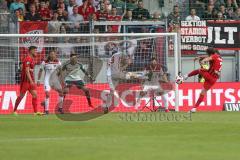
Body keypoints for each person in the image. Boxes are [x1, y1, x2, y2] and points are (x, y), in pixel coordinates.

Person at [183, 48, 223, 113]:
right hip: (214, 79)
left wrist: (203, 61)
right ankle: (194, 108)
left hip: (209, 75)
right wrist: (199, 57)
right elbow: (208, 57)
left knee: (199, 70)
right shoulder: (219, 57)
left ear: (210, 53)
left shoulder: (214, 56)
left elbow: (207, 58)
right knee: (203, 92)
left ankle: (186, 76)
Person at [13, 46, 42, 115]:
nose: (36, 52)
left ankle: (35, 112)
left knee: (35, 95)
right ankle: (14, 110)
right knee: (21, 96)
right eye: (35, 50)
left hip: (30, 81)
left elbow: (29, 69)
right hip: (26, 81)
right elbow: (26, 71)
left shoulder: (32, 59)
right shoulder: (28, 58)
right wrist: (31, 81)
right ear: (31, 51)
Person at [37, 51, 63, 115]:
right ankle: (46, 110)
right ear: (49, 55)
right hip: (47, 80)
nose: (53, 55)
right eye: (51, 54)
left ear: (55, 55)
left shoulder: (58, 62)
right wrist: (38, 80)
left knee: (61, 93)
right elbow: (40, 71)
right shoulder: (45, 62)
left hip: (55, 80)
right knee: (47, 94)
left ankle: (60, 108)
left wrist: (61, 79)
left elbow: (61, 71)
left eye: (54, 54)